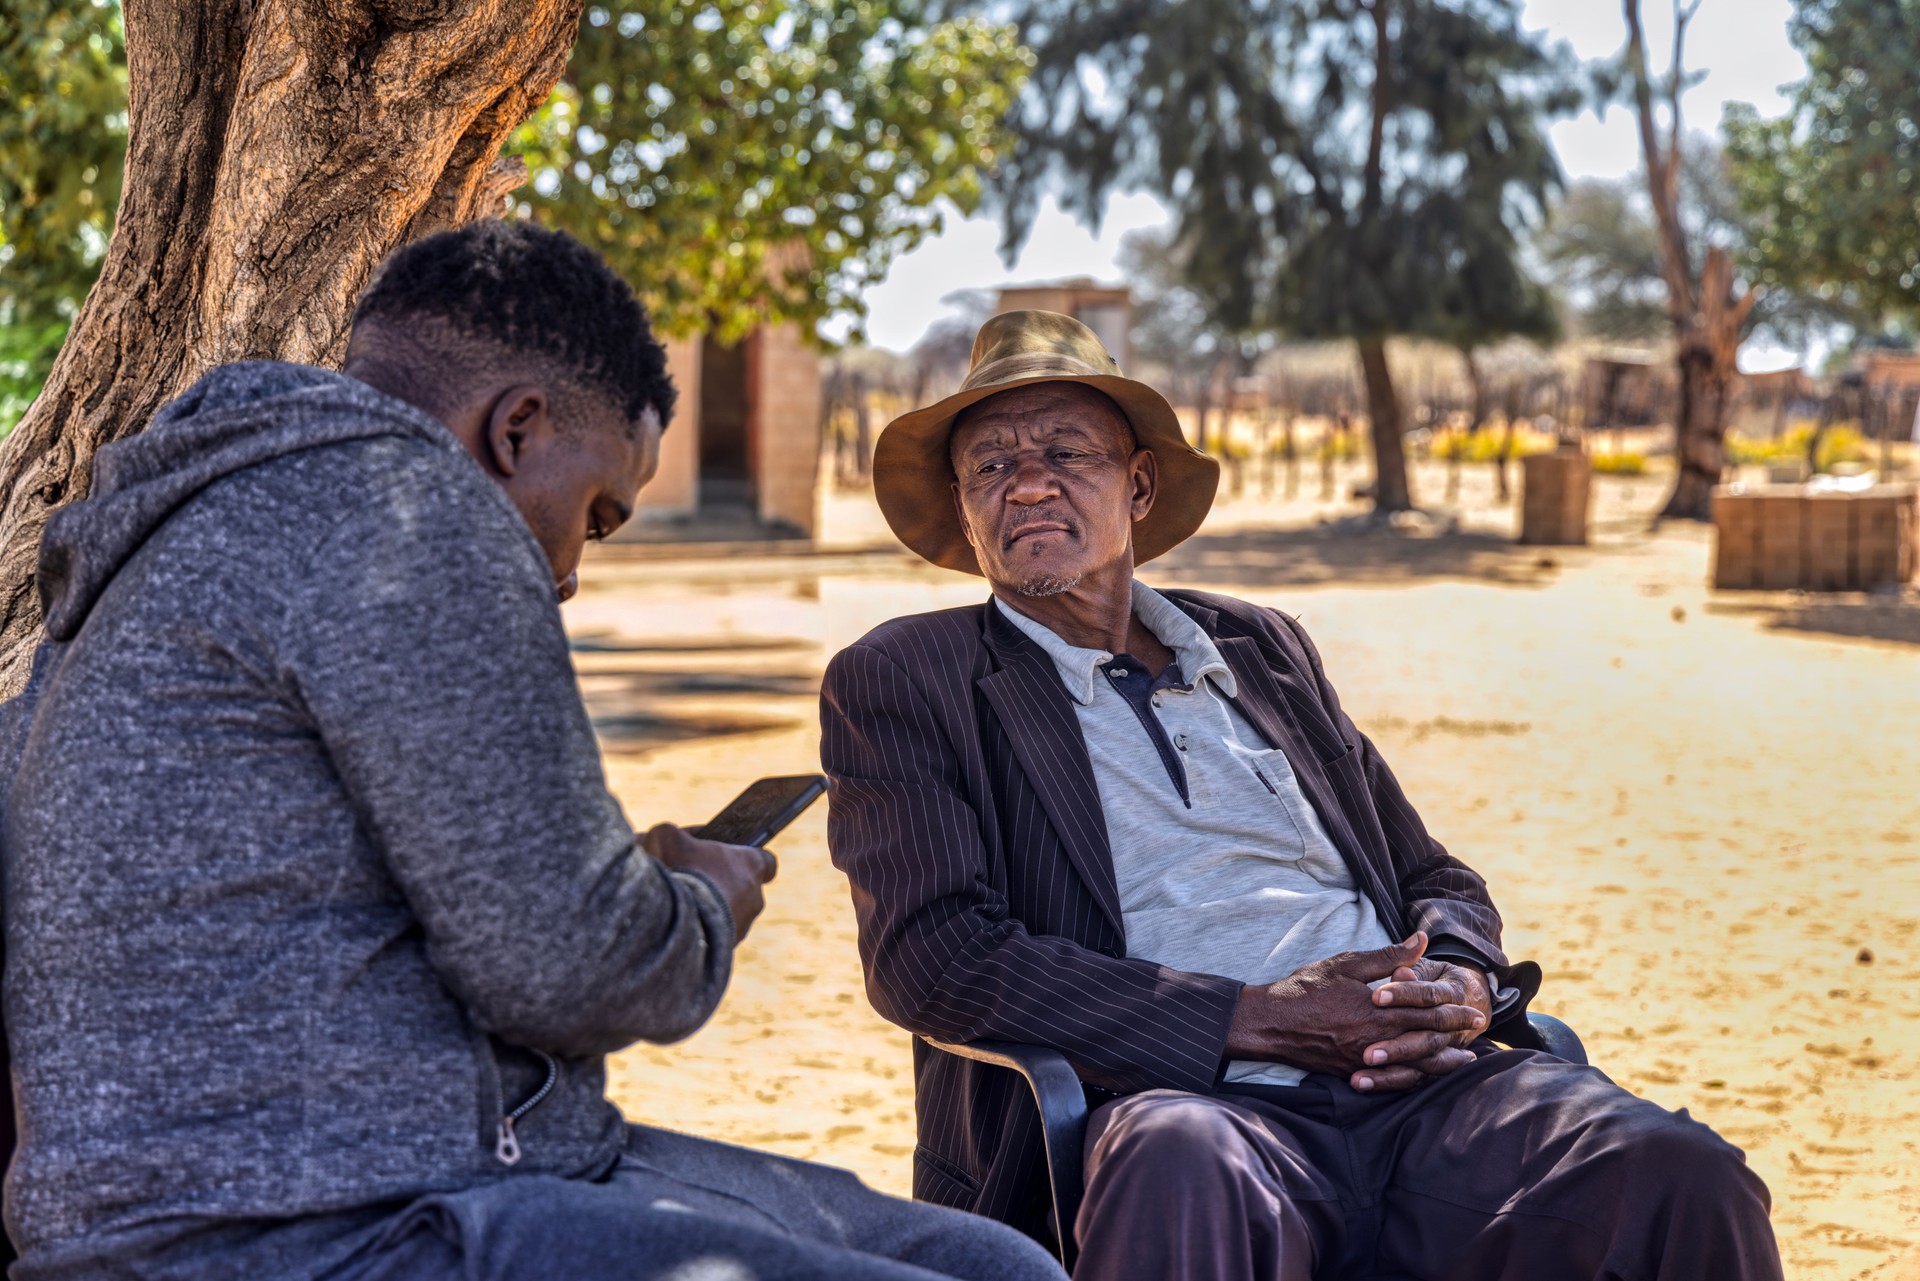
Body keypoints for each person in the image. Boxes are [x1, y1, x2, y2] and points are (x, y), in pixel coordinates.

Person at [0, 221, 1065, 1281]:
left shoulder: (181, 535)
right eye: (598, 515)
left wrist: (613, 886)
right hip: (314, 1222)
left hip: (368, 1166)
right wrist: (698, 906)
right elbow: (574, 974)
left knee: (994, 1263)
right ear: (515, 431)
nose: (568, 577)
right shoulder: (412, 514)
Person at [818, 310, 1784, 1281]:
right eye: (989, 467)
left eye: (1067, 451)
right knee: (1172, 1164)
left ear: (1140, 483)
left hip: (1423, 1095)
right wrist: (1259, 1018)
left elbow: (1430, 874)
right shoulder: (911, 677)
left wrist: (1455, 981)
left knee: (1683, 1176)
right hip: (1189, 1106)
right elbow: (931, 958)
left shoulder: (1259, 647)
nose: (1027, 482)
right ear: (964, 504)